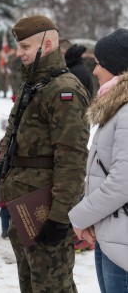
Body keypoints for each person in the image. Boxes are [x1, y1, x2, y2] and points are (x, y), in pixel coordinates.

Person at [0, 15, 90, 292]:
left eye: (24, 46)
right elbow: (14, 133)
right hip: (23, 202)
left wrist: (60, 215)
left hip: (45, 207)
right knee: (30, 283)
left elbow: (72, 158)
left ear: (46, 44)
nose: (18, 53)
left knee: (52, 286)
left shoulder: (64, 90)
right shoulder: (32, 85)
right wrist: (1, 167)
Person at [69, 28, 128, 293]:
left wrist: (81, 216)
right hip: (112, 232)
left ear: (116, 67)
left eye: (99, 64)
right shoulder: (117, 106)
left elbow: (122, 181)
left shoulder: (126, 111)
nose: (94, 71)